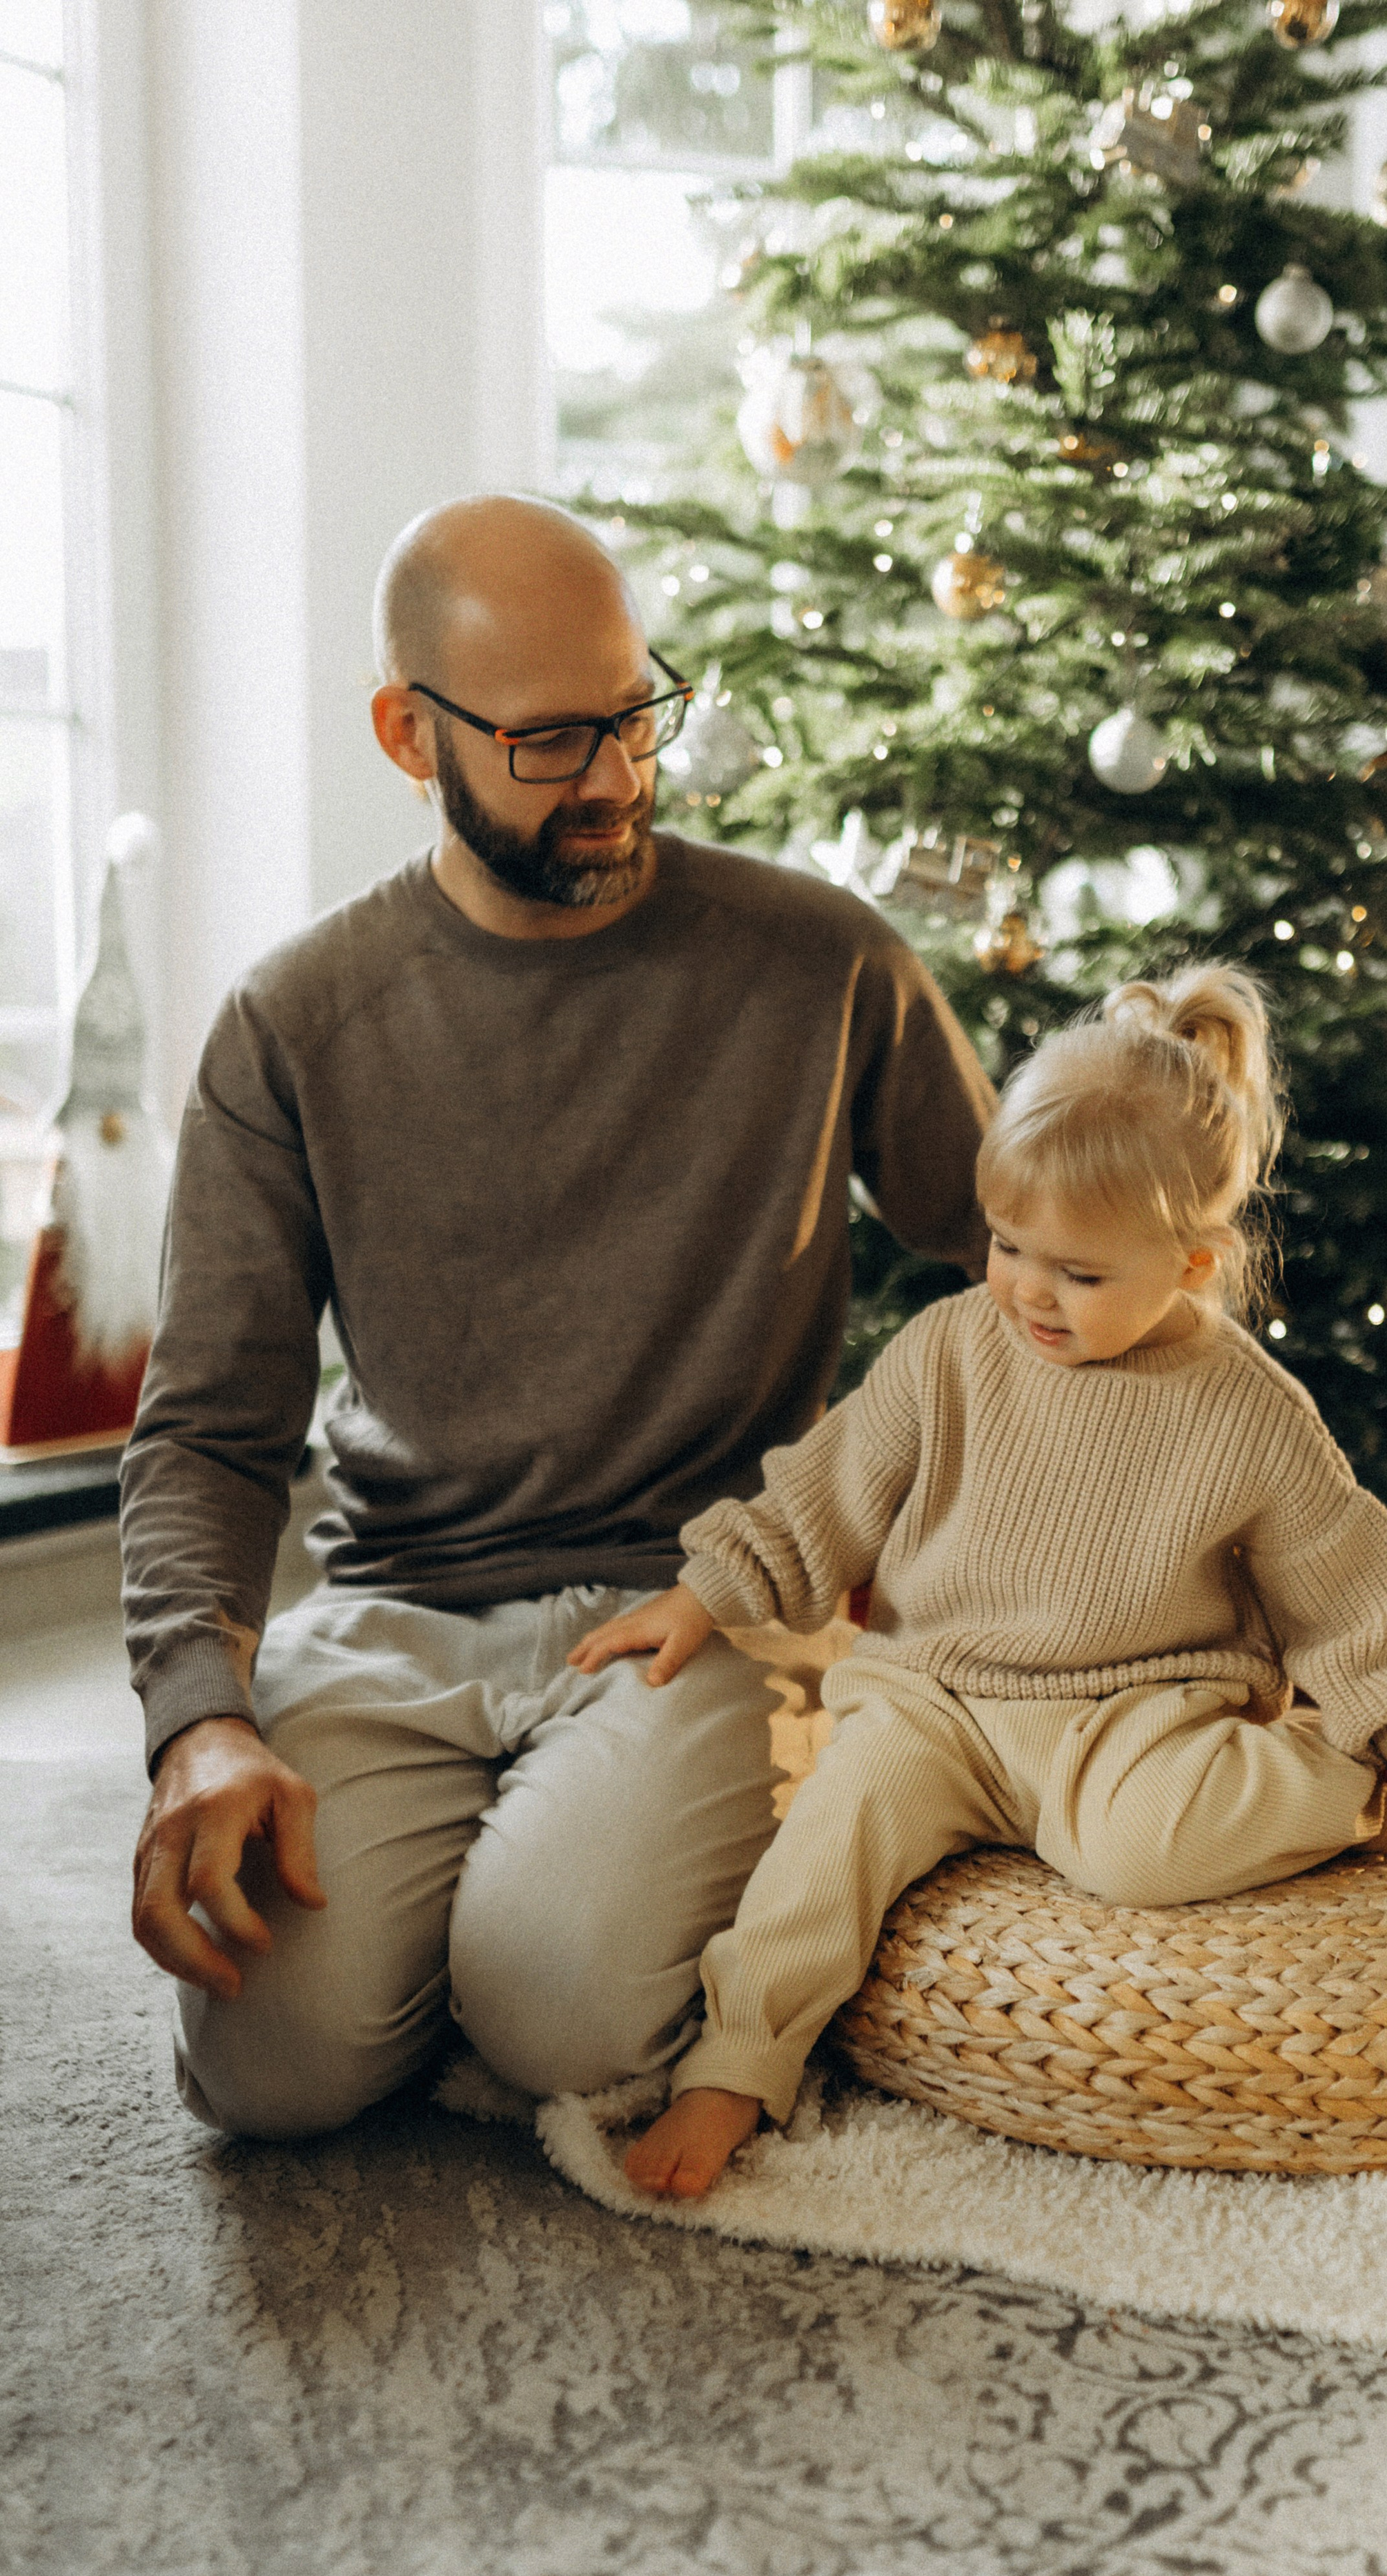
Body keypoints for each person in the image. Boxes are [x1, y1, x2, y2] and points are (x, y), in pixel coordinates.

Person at [123, 494, 994, 2139]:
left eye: (632, 713)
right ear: (407, 731)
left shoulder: (824, 965)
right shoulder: (295, 1020)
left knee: (559, 2016)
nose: (613, 777)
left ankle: (508, 1938)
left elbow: (1026, 1267)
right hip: (392, 1610)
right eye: (547, 741)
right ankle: (465, 1913)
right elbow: (210, 1431)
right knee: (274, 2075)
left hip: (699, 1604)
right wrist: (202, 1725)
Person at [568, 964, 1387, 2199]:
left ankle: (1340, 1772)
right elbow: (832, 1483)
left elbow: (1346, 1576)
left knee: (1144, 1853)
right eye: (1007, 1246)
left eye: (1079, 1273)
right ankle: (736, 2065)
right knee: (829, 1836)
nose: (1029, 1288)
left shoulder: (1246, 1410)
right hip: (934, 1695)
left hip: (1132, 1712)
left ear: (1189, 1266)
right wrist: (712, 1588)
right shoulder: (952, 1349)